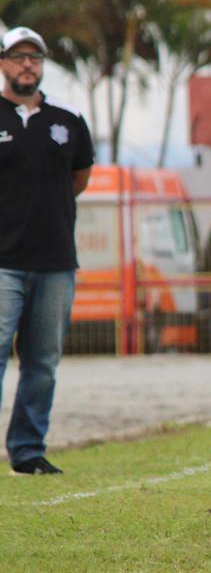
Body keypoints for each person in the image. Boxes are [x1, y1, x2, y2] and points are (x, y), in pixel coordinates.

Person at [0, 26, 95, 474]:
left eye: (34, 58)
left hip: (55, 262)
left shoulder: (68, 120)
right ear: (3, 63)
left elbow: (79, 179)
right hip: (3, 263)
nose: (26, 66)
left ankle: (27, 450)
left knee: (42, 361)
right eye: (18, 57)